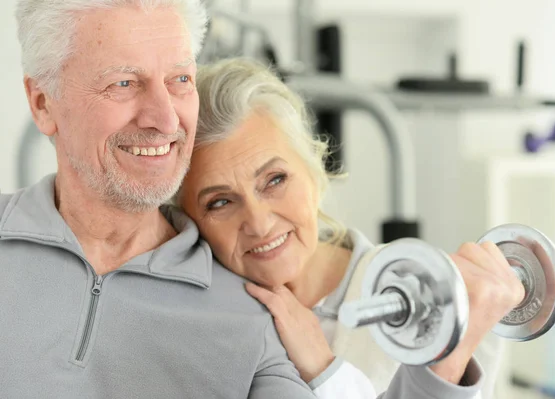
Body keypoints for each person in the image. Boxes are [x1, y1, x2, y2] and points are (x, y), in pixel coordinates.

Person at [3, 1, 324, 397]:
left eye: (180, 79)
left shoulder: (252, 314)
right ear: (43, 103)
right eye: (123, 83)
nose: (167, 120)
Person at [177, 57, 526, 398]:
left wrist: (322, 367)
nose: (258, 222)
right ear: (186, 223)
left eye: (275, 180)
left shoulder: (438, 304)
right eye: (219, 202)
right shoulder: (199, 326)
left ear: (314, 171)